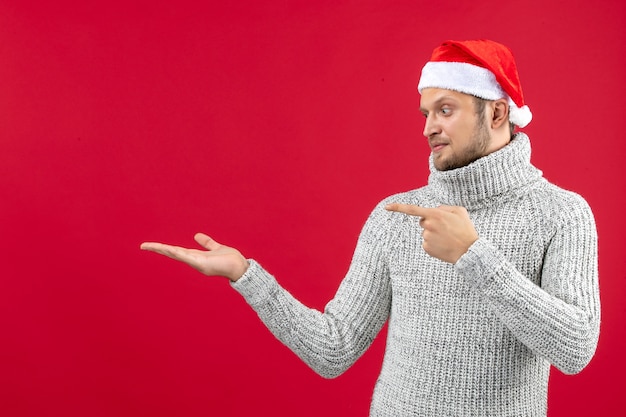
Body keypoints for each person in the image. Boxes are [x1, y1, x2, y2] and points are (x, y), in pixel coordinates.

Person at [141, 39, 600, 417]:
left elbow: (575, 349)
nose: (428, 129)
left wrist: (473, 255)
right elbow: (333, 349)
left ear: (497, 114)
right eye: (426, 114)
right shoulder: (395, 217)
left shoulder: (560, 214)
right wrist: (247, 276)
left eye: (446, 110)